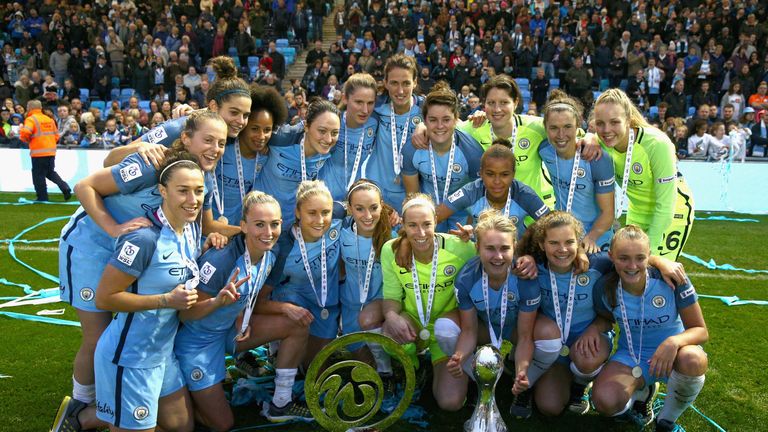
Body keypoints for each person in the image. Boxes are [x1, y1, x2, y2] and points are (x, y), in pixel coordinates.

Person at [54, 112, 228, 431]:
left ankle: (105, 406)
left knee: (182, 425)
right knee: (97, 335)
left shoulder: (197, 196)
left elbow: (203, 226)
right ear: (186, 138)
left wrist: (220, 235)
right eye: (209, 140)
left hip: (154, 331)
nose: (216, 148)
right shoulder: (152, 167)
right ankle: (81, 408)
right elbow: (86, 184)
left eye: (222, 142)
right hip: (94, 250)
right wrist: (114, 228)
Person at [174, 191, 313, 428]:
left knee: (297, 323)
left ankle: (281, 403)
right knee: (222, 424)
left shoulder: (272, 252)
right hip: (198, 342)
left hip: (231, 331)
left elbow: (249, 294)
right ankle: (182, 394)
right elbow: (184, 314)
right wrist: (217, 302)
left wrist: (241, 314)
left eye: (275, 224)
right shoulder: (221, 260)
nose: (268, 233)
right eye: (259, 225)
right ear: (243, 226)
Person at [87, 158, 204, 432]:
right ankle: (87, 417)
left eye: (198, 190)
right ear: (163, 191)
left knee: (182, 427)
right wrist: (165, 300)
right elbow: (104, 298)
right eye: (183, 190)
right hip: (130, 356)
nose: (193, 199)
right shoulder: (143, 239)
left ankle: (100, 414)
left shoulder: (191, 229)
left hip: (162, 354)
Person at [104, 56, 252, 237]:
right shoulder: (180, 126)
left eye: (246, 115)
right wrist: (141, 146)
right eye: (234, 113)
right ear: (213, 106)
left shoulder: (226, 134)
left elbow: (205, 225)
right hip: (110, 229)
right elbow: (109, 160)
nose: (241, 121)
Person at [592, 225, 708, 432]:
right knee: (604, 401)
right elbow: (604, 318)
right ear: (611, 256)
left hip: (675, 355)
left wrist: (673, 342)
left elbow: (700, 330)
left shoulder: (671, 279)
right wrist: (593, 329)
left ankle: (666, 421)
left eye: (640, 258)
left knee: (694, 359)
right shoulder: (604, 287)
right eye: (623, 258)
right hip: (632, 356)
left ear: (649, 256)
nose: (632, 265)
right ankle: (644, 393)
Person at [511, 212, 613, 419]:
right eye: (554, 243)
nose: (563, 249)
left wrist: (661, 262)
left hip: (588, 339)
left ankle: (580, 387)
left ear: (579, 242)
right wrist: (525, 257)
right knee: (550, 406)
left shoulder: (598, 264)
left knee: (587, 359)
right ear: (542, 245)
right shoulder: (534, 267)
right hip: (551, 345)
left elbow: (633, 260)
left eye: (569, 242)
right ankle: (534, 373)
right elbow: (503, 256)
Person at [381, 193, 476, 411]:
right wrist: (391, 316)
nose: (421, 232)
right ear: (403, 225)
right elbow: (392, 295)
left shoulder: (459, 248)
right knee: (389, 333)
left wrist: (475, 234)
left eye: (426, 224)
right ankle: (412, 368)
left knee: (450, 403)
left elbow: (492, 254)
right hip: (413, 322)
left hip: (448, 330)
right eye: (412, 225)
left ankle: (451, 368)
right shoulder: (391, 250)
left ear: (436, 221)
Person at [442, 210, 540, 406]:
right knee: (444, 328)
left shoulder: (526, 277)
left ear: (514, 246)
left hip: (515, 329)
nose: (498, 256)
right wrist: (459, 357)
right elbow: (469, 330)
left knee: (550, 338)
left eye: (505, 248)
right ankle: (478, 381)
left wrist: (523, 368)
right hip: (485, 328)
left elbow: (525, 336)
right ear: (477, 247)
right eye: (490, 248)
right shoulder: (466, 278)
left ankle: (524, 381)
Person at [591, 89, 695, 260]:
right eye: (600, 123)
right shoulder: (601, 141)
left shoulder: (656, 144)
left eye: (614, 122)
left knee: (656, 271)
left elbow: (666, 204)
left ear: (628, 120)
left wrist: (649, 251)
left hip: (672, 211)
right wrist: (590, 138)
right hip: (637, 210)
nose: (606, 129)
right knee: (629, 272)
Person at [266, 181, 343, 371]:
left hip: (326, 305)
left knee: (314, 369)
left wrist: (390, 213)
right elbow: (258, 301)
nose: (320, 220)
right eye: (312, 213)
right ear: (298, 212)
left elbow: (365, 205)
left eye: (326, 212)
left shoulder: (339, 219)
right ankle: (277, 347)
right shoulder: (282, 247)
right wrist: (285, 308)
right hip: (294, 307)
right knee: (295, 362)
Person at [538, 90, 615, 253]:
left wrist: (591, 237)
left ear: (578, 126)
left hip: (596, 235)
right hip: (563, 234)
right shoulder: (544, 150)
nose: (561, 135)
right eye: (553, 128)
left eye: (567, 127)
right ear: (545, 127)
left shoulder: (596, 159)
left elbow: (608, 213)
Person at [401, 82, 484, 232]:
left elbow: (477, 197)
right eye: (433, 120)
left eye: (446, 119)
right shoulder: (411, 150)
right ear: (424, 120)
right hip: (426, 212)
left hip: (462, 216)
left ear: (456, 119)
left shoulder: (473, 154)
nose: (440, 126)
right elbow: (412, 196)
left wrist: (469, 227)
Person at [253, 99, 341, 229]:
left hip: (293, 225)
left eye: (334, 133)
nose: (328, 139)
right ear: (306, 126)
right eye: (322, 131)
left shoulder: (332, 148)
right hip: (261, 218)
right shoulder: (281, 138)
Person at [339, 179, 395, 380]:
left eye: (373, 208)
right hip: (351, 306)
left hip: (382, 304)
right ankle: (383, 370)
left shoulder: (393, 237)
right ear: (350, 209)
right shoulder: (341, 235)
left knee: (382, 365)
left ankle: (387, 372)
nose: (368, 216)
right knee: (364, 370)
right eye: (360, 209)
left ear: (382, 205)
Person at [439, 138, 550, 238]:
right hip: (479, 252)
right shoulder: (471, 191)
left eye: (504, 175)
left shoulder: (525, 195)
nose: (497, 181)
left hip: (516, 254)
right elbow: (435, 216)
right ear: (481, 173)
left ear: (513, 174)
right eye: (490, 174)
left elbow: (552, 227)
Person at [213, 85, 287, 224]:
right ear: (243, 126)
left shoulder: (266, 157)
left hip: (240, 230)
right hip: (210, 227)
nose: (261, 136)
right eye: (254, 129)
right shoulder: (221, 149)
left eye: (267, 130)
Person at [363, 54, 424, 212]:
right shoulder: (374, 110)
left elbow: (454, 124)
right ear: (385, 83)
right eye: (394, 83)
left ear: (415, 82)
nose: (400, 90)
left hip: (412, 193)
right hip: (378, 193)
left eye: (406, 83)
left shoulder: (427, 113)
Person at [318, 74, 379, 201]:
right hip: (327, 200)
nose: (365, 110)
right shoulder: (331, 123)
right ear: (345, 98)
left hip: (357, 204)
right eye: (359, 102)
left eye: (370, 103)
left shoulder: (376, 123)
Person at [19, 99, 71, 201]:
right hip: (51, 151)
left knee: (38, 175)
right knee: (49, 172)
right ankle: (64, 187)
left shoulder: (31, 119)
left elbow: (26, 133)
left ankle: (42, 197)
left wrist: (23, 136)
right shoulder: (49, 119)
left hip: (38, 152)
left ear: (29, 108)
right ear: (40, 108)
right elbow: (56, 136)